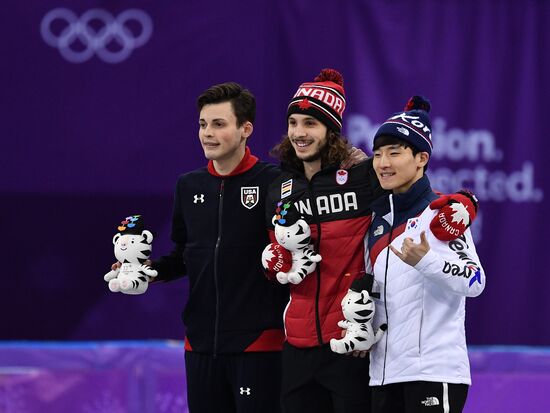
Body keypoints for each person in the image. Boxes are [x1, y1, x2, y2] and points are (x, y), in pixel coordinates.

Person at [151, 82, 290, 413]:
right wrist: (149, 272)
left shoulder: (274, 181)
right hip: (199, 345)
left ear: (246, 129)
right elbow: (184, 256)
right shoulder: (188, 185)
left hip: (258, 345)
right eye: (202, 124)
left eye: (218, 124)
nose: (207, 134)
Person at [266, 68, 384, 412]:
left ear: (330, 130)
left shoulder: (363, 176)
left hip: (349, 344)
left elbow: (411, 205)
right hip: (297, 346)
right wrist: (273, 264)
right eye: (294, 123)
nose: (299, 133)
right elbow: (277, 258)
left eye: (310, 124)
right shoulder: (280, 185)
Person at [367, 96, 486, 412]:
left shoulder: (442, 213)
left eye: (394, 153)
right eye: (378, 154)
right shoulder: (379, 220)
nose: (383, 163)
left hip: (434, 372)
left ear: (421, 158)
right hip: (382, 375)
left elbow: (475, 280)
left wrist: (425, 260)